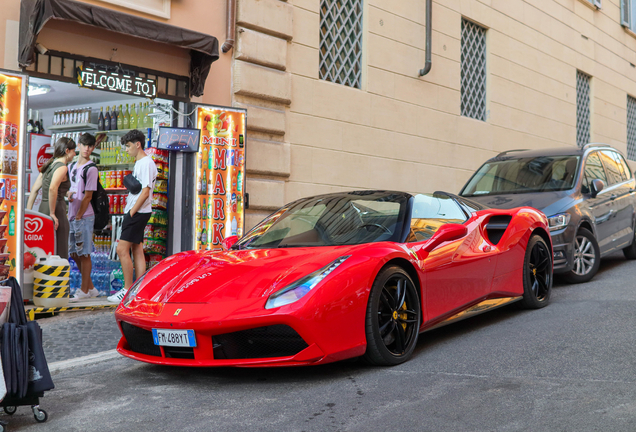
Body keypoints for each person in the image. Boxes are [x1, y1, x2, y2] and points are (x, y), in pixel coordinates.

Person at [108, 129, 157, 303]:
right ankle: (138, 290)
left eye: (128, 146)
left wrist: (131, 212)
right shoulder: (143, 162)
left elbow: (145, 192)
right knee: (137, 249)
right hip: (140, 211)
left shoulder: (145, 163)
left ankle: (128, 289)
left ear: (138, 144)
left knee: (122, 249)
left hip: (138, 212)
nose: (126, 150)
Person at [27, 137, 76, 259]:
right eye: (74, 151)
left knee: (44, 247)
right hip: (56, 208)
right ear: (67, 151)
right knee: (59, 247)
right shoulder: (62, 167)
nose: (75, 154)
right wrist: (53, 213)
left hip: (42, 209)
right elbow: (52, 188)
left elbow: (34, 190)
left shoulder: (47, 166)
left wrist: (28, 212)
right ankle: (57, 276)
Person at [68, 133, 99, 300]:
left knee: (85, 253)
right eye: (84, 145)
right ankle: (91, 288)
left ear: (93, 148)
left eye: (90, 146)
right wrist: (68, 194)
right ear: (79, 145)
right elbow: (68, 187)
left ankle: (84, 290)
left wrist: (79, 215)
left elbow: (88, 196)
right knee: (74, 253)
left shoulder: (91, 168)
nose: (87, 148)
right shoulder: (72, 166)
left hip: (84, 216)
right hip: (72, 215)